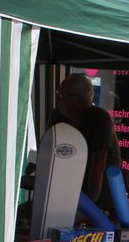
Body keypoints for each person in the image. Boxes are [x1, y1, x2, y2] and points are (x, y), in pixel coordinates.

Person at [51, 73, 121, 207]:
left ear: (78, 100)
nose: (57, 100)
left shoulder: (100, 119)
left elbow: (98, 165)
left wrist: (89, 209)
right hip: (69, 195)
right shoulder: (58, 115)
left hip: (100, 201)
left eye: (61, 96)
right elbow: (51, 154)